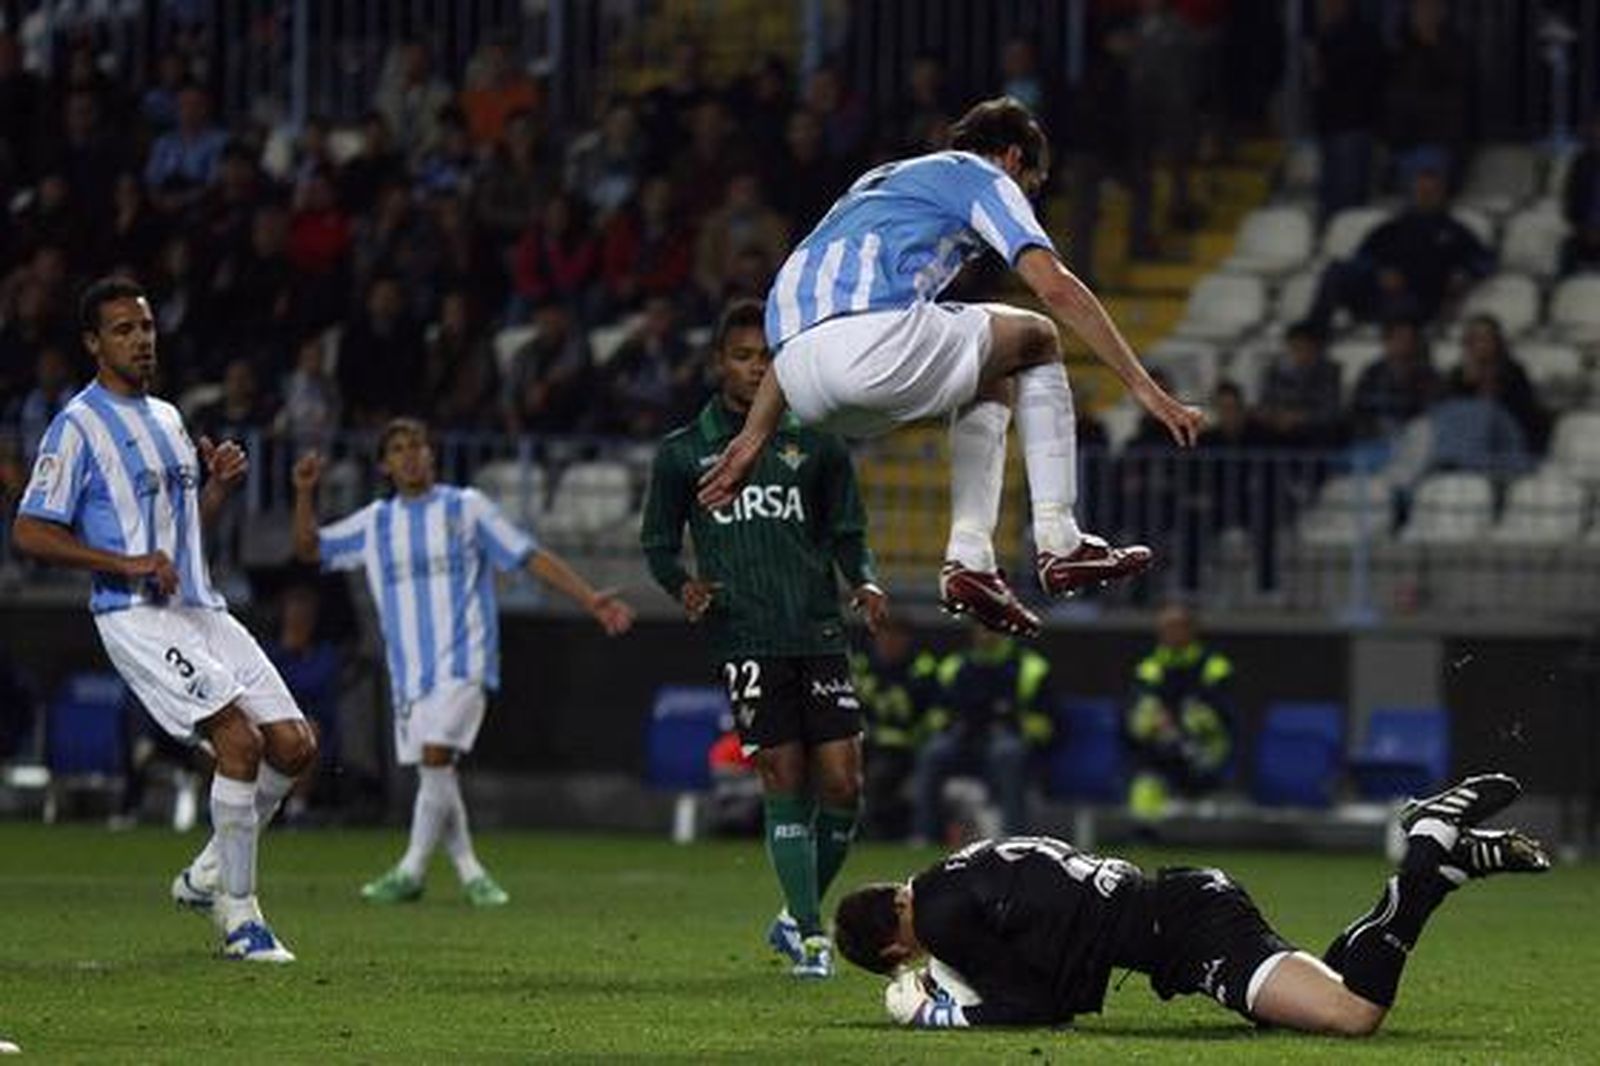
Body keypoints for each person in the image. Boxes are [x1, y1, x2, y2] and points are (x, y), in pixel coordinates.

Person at [697, 96, 1203, 640]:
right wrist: (1144, 388)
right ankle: (1060, 541)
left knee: (992, 364)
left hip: (798, 377)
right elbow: (1054, 286)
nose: (1026, 198)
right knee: (1037, 337)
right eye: (1032, 187)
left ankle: (971, 561)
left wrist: (753, 436)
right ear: (1014, 159)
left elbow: (810, 330)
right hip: (869, 348)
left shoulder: (876, 185)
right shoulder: (982, 176)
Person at [12, 277, 316, 962]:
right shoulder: (77, 426)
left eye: (146, 327)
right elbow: (30, 530)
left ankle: (208, 873)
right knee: (238, 743)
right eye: (123, 330)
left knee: (295, 746)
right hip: (135, 615)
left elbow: (180, 535)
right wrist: (125, 564)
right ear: (93, 343)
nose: (141, 340)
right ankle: (240, 918)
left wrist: (218, 490)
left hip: (199, 605)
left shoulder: (172, 418)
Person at [834, 773, 1549, 1030]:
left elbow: (1036, 1007)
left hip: (1187, 933)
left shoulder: (940, 919)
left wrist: (936, 1015)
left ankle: (1426, 851)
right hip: (1180, 902)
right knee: (1322, 995)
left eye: (902, 964)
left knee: (1351, 1014)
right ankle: (1446, 868)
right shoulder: (953, 873)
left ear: (894, 947)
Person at [641, 298, 888, 979]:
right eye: (744, 356)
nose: (757, 368)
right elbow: (659, 544)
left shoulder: (819, 442)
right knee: (783, 774)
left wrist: (865, 581)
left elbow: (849, 532)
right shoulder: (683, 452)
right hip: (746, 634)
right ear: (719, 362)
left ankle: (790, 915)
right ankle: (810, 935)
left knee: (844, 783)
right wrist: (683, 587)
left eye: (768, 357)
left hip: (818, 629)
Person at [292, 418, 634, 905]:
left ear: (432, 454)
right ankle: (472, 873)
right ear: (385, 465)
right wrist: (305, 493)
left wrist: (589, 597)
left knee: (436, 756)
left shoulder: (467, 508)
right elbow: (309, 548)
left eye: (418, 446)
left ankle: (410, 870)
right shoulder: (375, 523)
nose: (411, 455)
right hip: (410, 675)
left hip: (465, 660)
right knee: (438, 771)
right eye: (398, 449)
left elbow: (527, 555)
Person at [912, 625, 1055, 844]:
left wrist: (1010, 720)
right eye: (982, 627)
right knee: (933, 752)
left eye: (993, 627)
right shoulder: (954, 665)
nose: (986, 634)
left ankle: (1012, 837)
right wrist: (953, 722)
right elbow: (936, 712)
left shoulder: (1031, 667)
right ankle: (925, 835)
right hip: (962, 738)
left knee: (1008, 753)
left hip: (1006, 737)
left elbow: (1045, 724)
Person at [1124, 603, 1235, 822]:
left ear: (1192, 630)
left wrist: (1184, 722)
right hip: (1162, 744)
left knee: (1197, 716)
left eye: (1178, 626)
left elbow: (1222, 709)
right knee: (1145, 720)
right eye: (1166, 627)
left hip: (1207, 744)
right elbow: (1142, 701)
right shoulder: (1150, 665)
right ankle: (1146, 830)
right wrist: (1160, 721)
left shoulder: (1214, 664)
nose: (1171, 632)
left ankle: (1201, 796)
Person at [850, 614, 940, 841]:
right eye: (884, 635)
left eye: (896, 636)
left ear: (907, 640)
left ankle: (873, 833)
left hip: (906, 746)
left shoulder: (922, 668)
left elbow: (926, 714)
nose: (889, 642)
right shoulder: (862, 665)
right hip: (864, 742)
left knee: (879, 775)